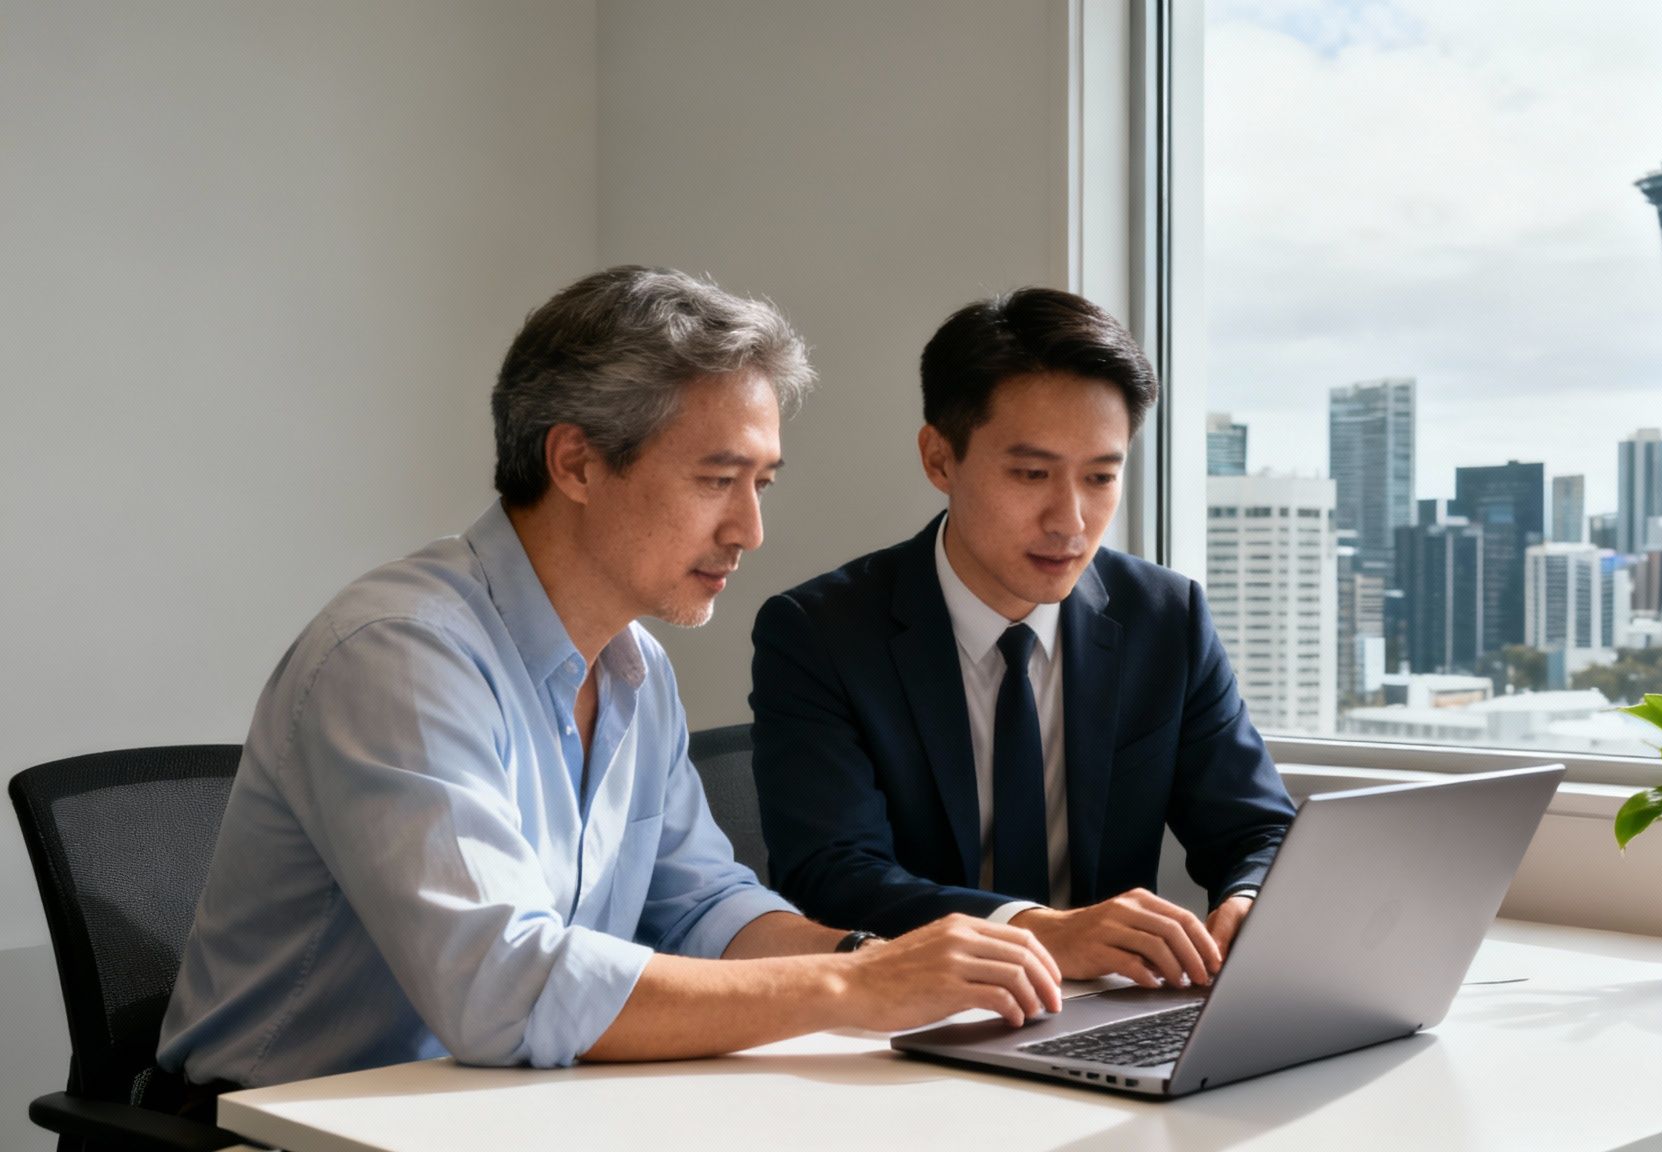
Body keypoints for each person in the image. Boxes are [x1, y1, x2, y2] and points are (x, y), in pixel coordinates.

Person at [157, 267, 1061, 1110]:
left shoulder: (633, 664)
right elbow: (502, 988)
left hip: (506, 1111)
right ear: (577, 463)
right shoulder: (399, 655)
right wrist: (853, 987)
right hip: (283, 1127)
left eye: (761, 483)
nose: (749, 529)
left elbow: (704, 906)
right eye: (717, 479)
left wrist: (892, 964)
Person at [750, 288, 1295, 993]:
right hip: (916, 1018)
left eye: (1101, 477)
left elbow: (1258, 830)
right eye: (1032, 474)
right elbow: (832, 876)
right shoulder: (819, 632)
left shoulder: (1166, 617)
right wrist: (1038, 930)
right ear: (939, 459)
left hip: (1105, 1014)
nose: (1070, 522)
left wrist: (1249, 901)